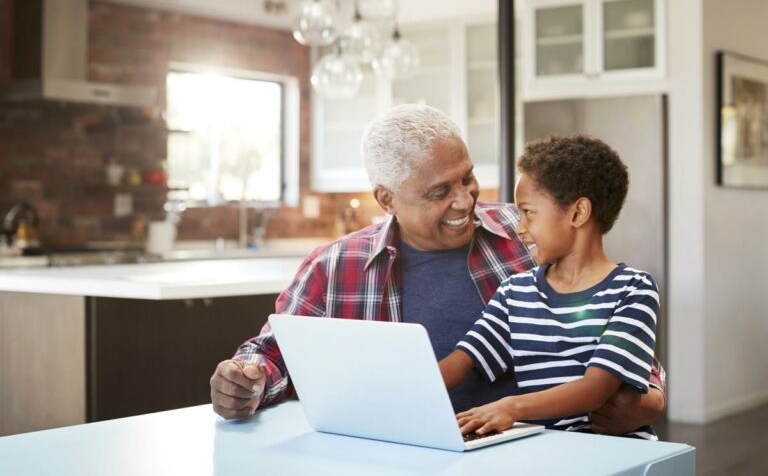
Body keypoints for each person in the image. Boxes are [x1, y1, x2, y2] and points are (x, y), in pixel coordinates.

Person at [209, 104, 666, 435]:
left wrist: (646, 401)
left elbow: (617, 336)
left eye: (467, 178)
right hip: (405, 453)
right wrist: (246, 379)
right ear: (386, 198)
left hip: (528, 446)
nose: (465, 200)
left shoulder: (528, 234)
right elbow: (273, 351)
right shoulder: (335, 266)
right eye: (438, 191)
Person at [440, 134, 659, 440]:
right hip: (544, 451)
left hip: (613, 452)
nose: (519, 228)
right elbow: (462, 361)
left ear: (578, 213)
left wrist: (512, 407)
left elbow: (595, 389)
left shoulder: (633, 290)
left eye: (528, 212)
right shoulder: (513, 293)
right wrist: (401, 389)